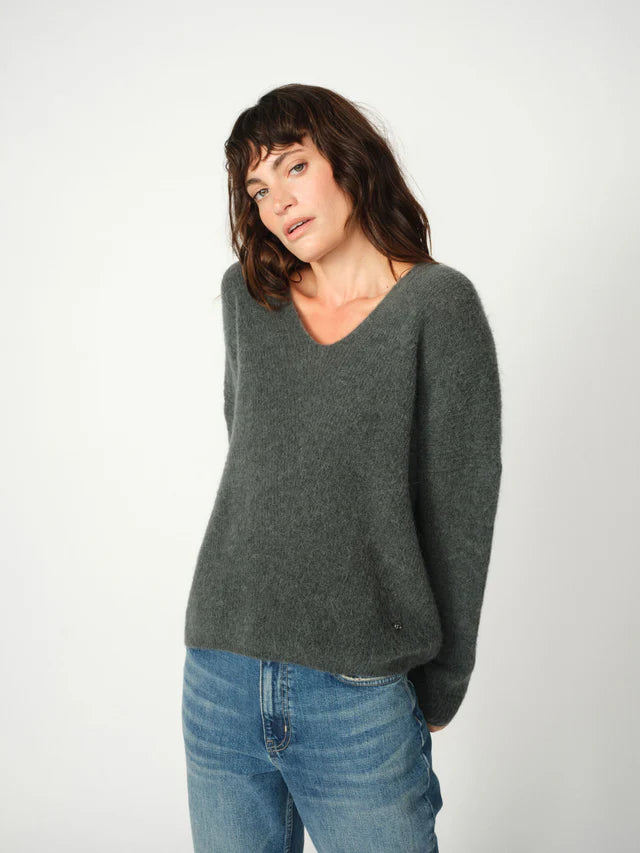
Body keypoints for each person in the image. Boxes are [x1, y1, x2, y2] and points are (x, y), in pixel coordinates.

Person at [181, 83, 502, 853]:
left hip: (358, 691)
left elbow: (460, 506)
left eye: (294, 166)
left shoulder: (437, 305)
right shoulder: (248, 297)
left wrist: (444, 681)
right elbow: (252, 455)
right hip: (221, 671)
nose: (278, 202)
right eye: (258, 188)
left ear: (349, 162)